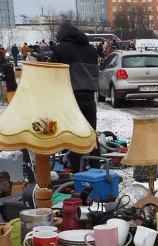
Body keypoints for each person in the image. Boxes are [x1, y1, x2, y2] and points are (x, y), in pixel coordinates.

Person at [50, 20, 100, 172]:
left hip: (71, 97)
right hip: (89, 96)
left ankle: (77, 174)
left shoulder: (61, 49)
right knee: (91, 134)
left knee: (73, 134)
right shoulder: (91, 49)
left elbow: (53, 75)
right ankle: (96, 169)